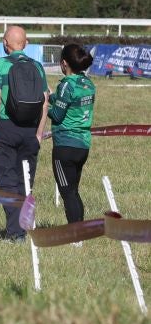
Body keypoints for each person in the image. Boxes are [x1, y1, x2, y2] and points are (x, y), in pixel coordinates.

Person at [0, 26, 50, 243]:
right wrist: (39, 134)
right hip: (30, 130)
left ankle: (16, 233)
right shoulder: (38, 66)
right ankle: (20, 229)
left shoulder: (1, 65)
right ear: (26, 43)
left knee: (6, 181)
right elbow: (44, 103)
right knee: (25, 180)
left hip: (4, 127)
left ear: (5, 43)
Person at [48, 44, 95, 225]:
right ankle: (79, 230)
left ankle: (75, 234)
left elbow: (58, 115)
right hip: (83, 145)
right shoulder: (87, 83)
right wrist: (51, 97)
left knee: (67, 192)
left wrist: (43, 107)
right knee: (74, 191)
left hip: (64, 145)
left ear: (64, 63)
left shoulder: (66, 84)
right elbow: (67, 101)